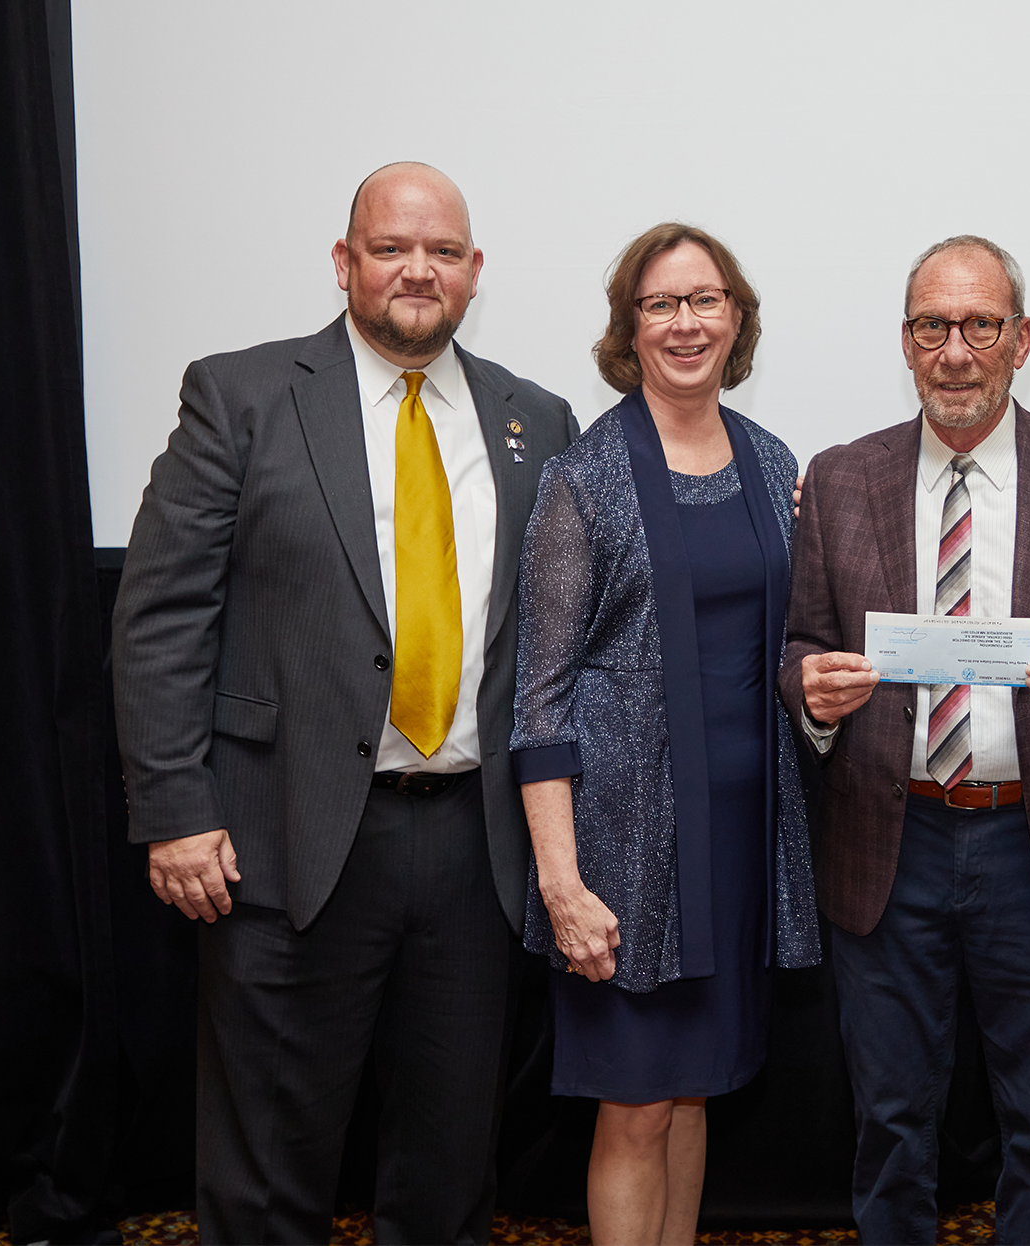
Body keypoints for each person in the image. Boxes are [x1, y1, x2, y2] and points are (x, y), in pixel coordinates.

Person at [113, 162, 577, 1246]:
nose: (418, 269)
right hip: (286, 836)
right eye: (390, 247)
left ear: (474, 273)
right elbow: (160, 615)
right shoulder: (240, 396)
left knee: (450, 1164)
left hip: (474, 848)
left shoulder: (536, 419)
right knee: (271, 1166)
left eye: (443, 251)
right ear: (345, 263)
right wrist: (176, 806)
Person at [780, 235, 1030, 1242]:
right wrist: (813, 695)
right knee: (893, 1122)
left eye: (980, 325)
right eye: (932, 327)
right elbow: (802, 644)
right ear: (904, 343)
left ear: (1021, 338)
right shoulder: (839, 478)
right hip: (887, 844)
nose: (956, 350)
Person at [510, 223, 821, 1246]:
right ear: (628, 328)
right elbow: (541, 698)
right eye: (660, 304)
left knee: (695, 1093)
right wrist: (564, 885)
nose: (685, 322)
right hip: (626, 858)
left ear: (737, 318)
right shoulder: (581, 478)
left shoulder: (773, 461)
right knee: (638, 1104)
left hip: (737, 847)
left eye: (705, 300)